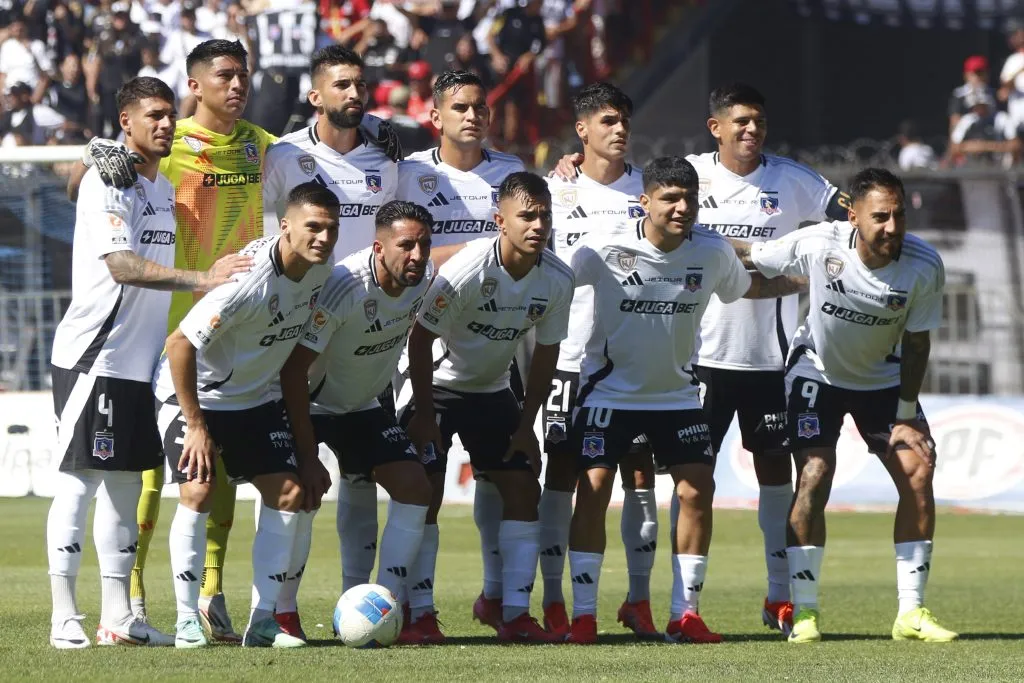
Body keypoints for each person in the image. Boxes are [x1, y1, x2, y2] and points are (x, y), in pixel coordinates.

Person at [68, 38, 402, 643]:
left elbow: (321, 172)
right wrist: (98, 152)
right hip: (166, 320)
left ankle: (211, 598)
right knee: (158, 476)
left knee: (223, 480)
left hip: (241, 323)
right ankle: (132, 603)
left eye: (243, 74)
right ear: (194, 85)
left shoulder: (260, 146)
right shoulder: (168, 142)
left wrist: (373, 126)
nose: (238, 84)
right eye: (224, 75)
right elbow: (85, 189)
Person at [563, 156, 808, 645]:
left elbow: (743, 288)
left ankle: (685, 613)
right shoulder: (603, 245)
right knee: (592, 491)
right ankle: (584, 616)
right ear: (644, 201)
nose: (681, 208)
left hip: (676, 396)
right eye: (670, 198)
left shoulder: (713, 251)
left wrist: (805, 280)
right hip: (608, 392)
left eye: (689, 199)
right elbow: (556, 284)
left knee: (697, 490)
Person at [45, 76, 249, 650]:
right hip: (94, 355)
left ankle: (120, 618)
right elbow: (121, 265)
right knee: (79, 484)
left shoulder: (159, 187)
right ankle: (65, 616)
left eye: (169, 115)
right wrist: (202, 279)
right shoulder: (110, 179)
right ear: (126, 122)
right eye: (152, 116)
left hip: (140, 363)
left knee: (123, 488)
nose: (165, 124)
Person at [734, 167, 958, 644]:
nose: (892, 228)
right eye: (880, 217)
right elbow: (753, 255)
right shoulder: (820, 243)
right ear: (853, 216)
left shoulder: (923, 265)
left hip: (883, 379)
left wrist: (905, 416)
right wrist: (688, 235)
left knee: (918, 472)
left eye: (898, 216)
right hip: (817, 371)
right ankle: (806, 611)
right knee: (814, 474)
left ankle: (911, 613)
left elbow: (918, 346)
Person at [684, 83, 851, 637]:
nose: (751, 129)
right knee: (693, 483)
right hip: (701, 357)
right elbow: (632, 197)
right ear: (716, 127)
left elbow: (846, 215)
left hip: (771, 360)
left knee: (776, 475)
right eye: (740, 121)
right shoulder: (690, 177)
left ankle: (779, 597)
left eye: (758, 120)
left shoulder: (791, 180)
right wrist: (567, 167)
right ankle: (685, 606)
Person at [154, 181, 339, 649]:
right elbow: (178, 344)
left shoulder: (322, 270)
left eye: (330, 229)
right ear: (286, 227)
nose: (322, 237)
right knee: (198, 489)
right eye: (312, 227)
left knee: (292, 491)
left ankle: (262, 622)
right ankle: (186, 619)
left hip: (254, 400)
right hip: (197, 397)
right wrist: (195, 425)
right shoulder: (247, 281)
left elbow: (295, 366)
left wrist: (307, 451)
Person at [402, 171, 573, 643]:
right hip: (435, 386)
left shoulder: (558, 278)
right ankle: (418, 614)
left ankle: (513, 612)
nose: (538, 225)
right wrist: (420, 414)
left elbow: (547, 354)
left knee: (521, 485)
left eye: (544, 215)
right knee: (426, 491)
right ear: (500, 220)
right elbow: (420, 340)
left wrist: (525, 424)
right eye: (527, 216)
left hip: (493, 389)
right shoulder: (466, 270)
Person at [393, 68, 525, 641]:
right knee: (423, 483)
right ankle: (417, 610)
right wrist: (482, 249)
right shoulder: (409, 175)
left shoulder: (514, 177)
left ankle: (501, 601)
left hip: (498, 356)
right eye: (461, 107)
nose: (473, 116)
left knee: (510, 481)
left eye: (481, 108)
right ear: (436, 117)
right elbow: (401, 252)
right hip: (424, 350)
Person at [277, 200, 435, 644]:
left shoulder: (425, 279)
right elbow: (293, 370)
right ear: (378, 247)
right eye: (406, 245)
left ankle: (385, 604)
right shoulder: (346, 286)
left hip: (363, 406)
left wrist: (423, 412)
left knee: (414, 486)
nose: (418, 255)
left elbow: (422, 339)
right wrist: (308, 456)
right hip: (310, 403)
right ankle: (282, 612)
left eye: (425, 244)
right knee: (301, 494)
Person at [540, 82, 656, 639]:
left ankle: (638, 600)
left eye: (625, 120)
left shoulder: (649, 193)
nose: (620, 129)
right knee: (562, 472)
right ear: (582, 130)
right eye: (608, 120)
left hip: (631, 362)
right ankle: (555, 599)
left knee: (638, 473)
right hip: (565, 356)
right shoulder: (552, 193)